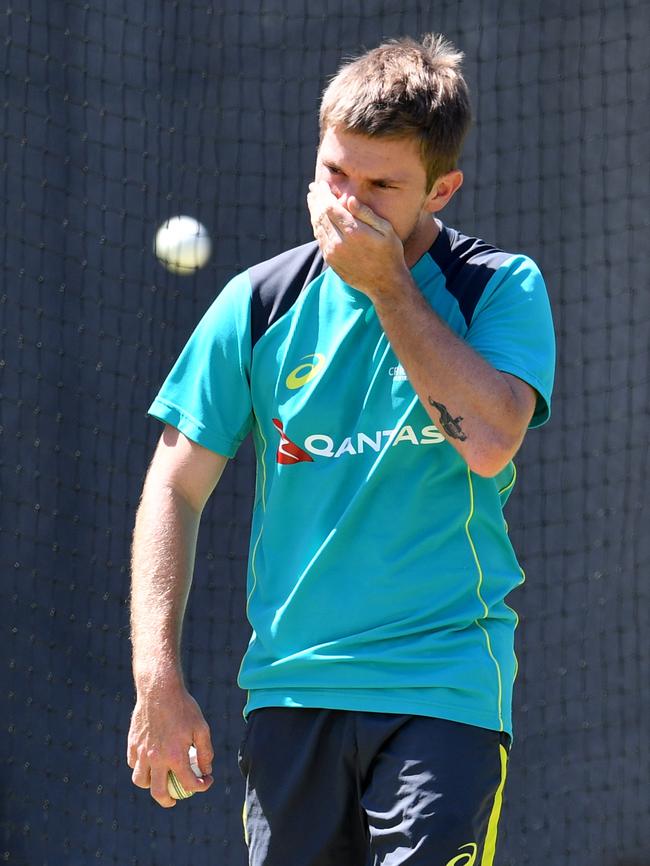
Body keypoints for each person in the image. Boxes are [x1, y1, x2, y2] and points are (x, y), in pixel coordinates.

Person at [127, 33, 555, 866]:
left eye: (381, 186)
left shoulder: (498, 287)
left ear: (442, 188)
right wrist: (158, 679)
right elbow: (172, 489)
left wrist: (385, 282)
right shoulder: (254, 304)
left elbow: (492, 442)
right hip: (291, 695)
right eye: (335, 173)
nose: (348, 203)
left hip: (444, 691)